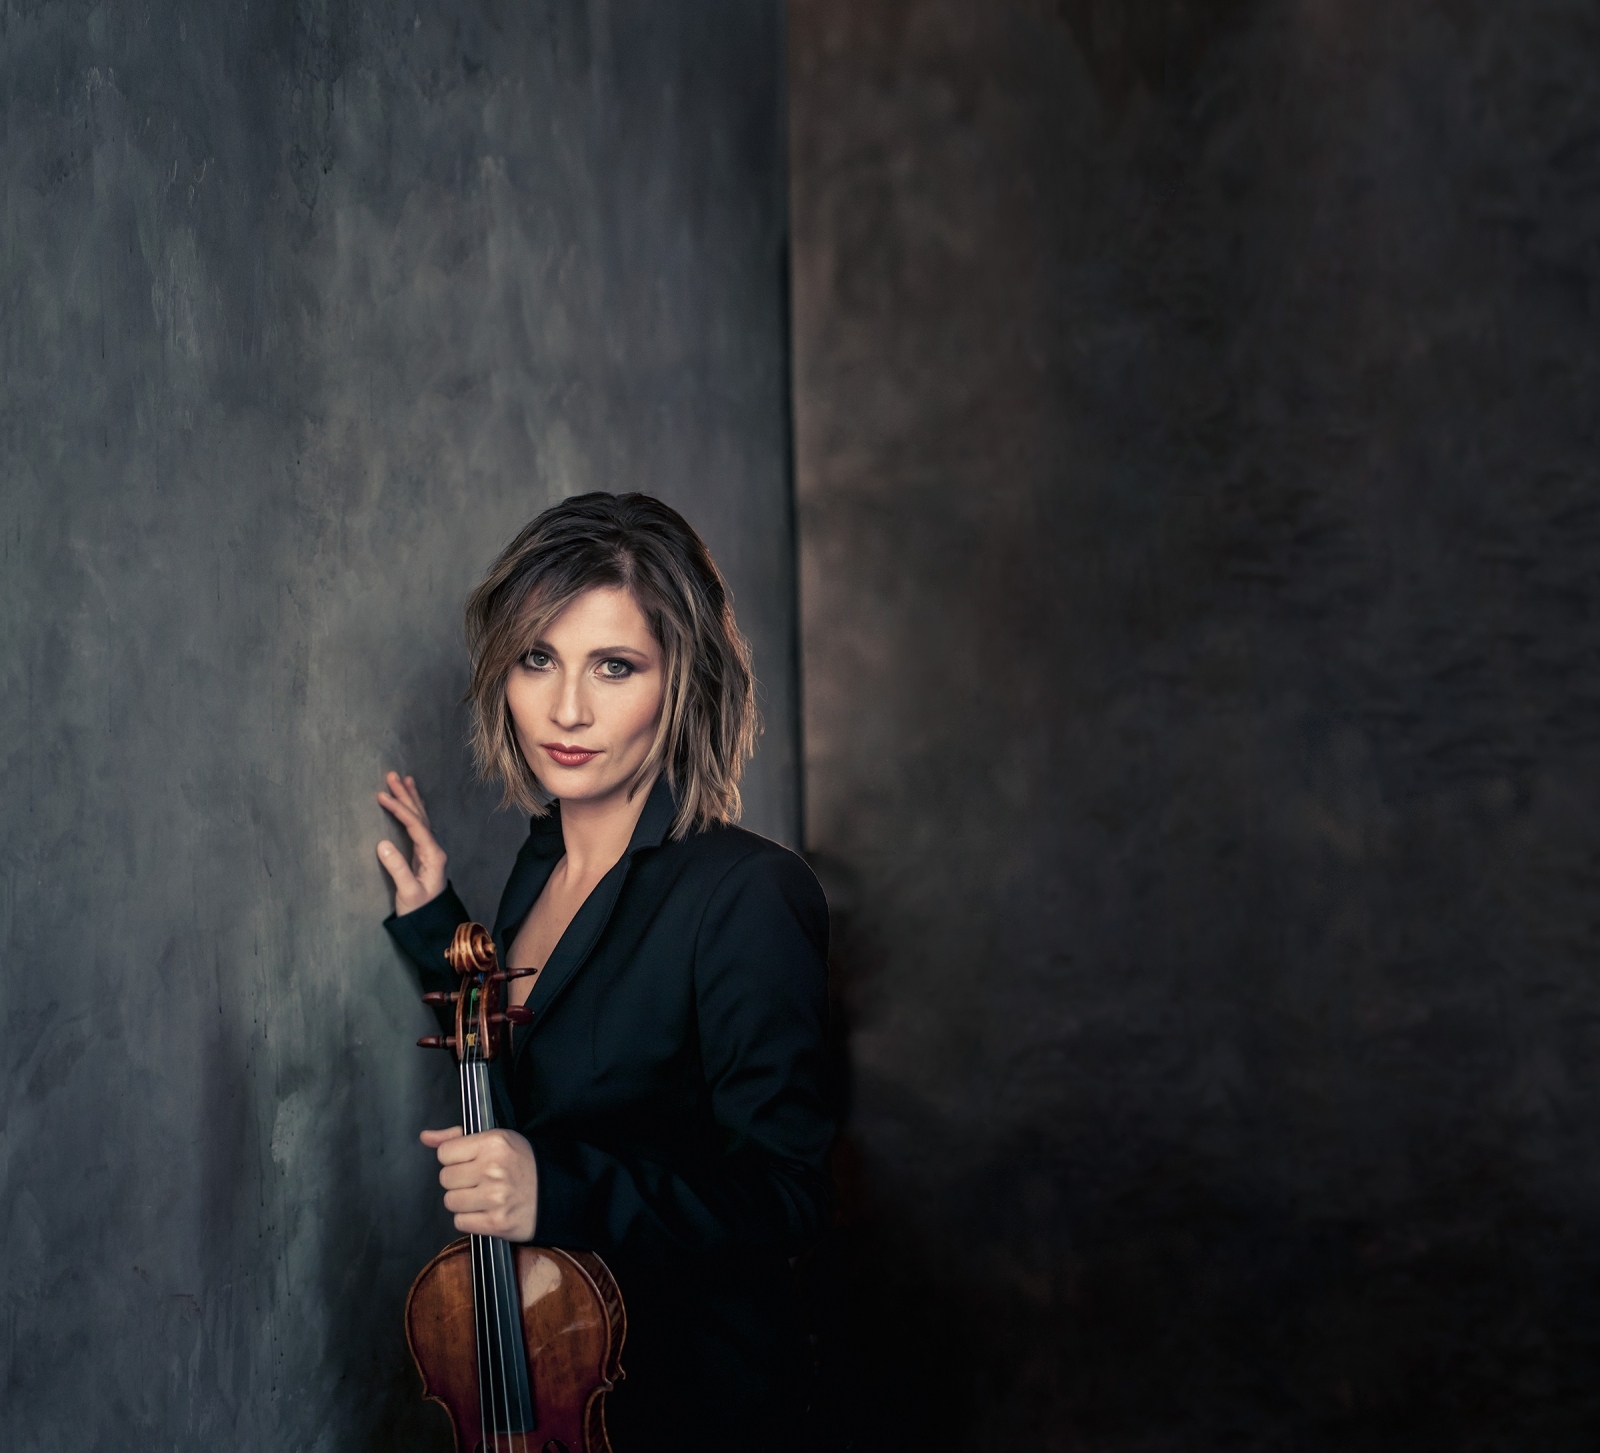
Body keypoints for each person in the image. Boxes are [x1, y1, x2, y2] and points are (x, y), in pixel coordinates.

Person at [375, 492, 832, 1452]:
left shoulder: (749, 892)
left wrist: (555, 1189)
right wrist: (436, 927)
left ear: (681, 684)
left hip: (694, 1411)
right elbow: (544, 1067)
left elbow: (787, 1199)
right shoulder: (540, 863)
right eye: (538, 658)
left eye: (614, 665)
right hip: (554, 1388)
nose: (567, 709)